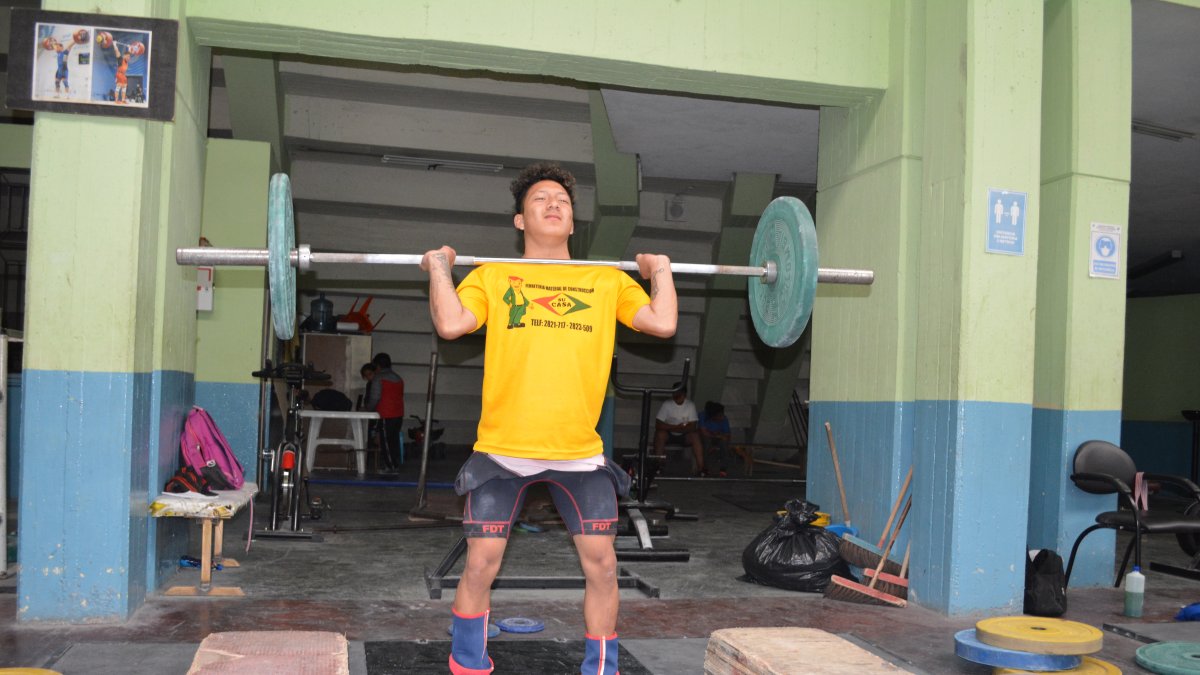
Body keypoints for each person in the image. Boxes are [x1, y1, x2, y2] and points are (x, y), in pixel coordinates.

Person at [419, 162, 677, 675]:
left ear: (573, 222)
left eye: (562, 199)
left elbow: (663, 323)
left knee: (603, 566)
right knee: (480, 564)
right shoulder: (493, 276)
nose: (554, 204)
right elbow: (450, 323)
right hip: (501, 452)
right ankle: (468, 663)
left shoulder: (605, 280)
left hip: (579, 456)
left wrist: (660, 270)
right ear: (520, 220)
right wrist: (440, 268)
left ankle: (600, 669)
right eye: (540, 198)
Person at [362, 353, 404, 472]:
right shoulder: (398, 377)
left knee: (386, 443)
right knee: (393, 441)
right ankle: (394, 464)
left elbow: (375, 398)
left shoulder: (378, 378)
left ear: (377, 365)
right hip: (398, 414)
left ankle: (390, 467)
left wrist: (368, 409)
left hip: (387, 414)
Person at [653, 388, 706, 476]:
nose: (677, 396)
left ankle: (701, 468)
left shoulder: (690, 405)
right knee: (660, 434)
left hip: (684, 435)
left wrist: (675, 428)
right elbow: (658, 425)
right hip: (669, 434)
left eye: (679, 394)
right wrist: (676, 427)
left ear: (684, 395)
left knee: (695, 436)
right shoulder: (667, 404)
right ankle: (658, 465)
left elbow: (693, 427)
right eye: (675, 393)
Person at [699, 401, 733, 477]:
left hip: (718, 438)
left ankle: (723, 468)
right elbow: (704, 432)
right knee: (706, 442)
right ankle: (705, 468)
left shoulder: (724, 419)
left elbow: (727, 434)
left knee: (724, 443)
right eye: (719, 415)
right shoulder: (702, 416)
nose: (721, 417)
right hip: (705, 438)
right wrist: (717, 435)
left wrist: (719, 436)